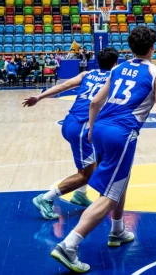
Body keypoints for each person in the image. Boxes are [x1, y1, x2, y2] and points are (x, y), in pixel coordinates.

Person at [50, 27, 156, 273]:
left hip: (101, 127)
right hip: (121, 133)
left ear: (131, 46)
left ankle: (117, 231)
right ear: (152, 48)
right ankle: (69, 245)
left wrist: (93, 129)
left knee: (121, 179)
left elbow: (95, 102)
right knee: (109, 196)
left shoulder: (117, 68)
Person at [25, 48, 120, 220]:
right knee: (87, 175)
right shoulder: (115, 78)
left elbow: (64, 85)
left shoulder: (87, 74)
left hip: (70, 121)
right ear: (115, 63)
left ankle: (80, 195)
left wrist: (40, 97)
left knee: (97, 158)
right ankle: (45, 199)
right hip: (83, 128)